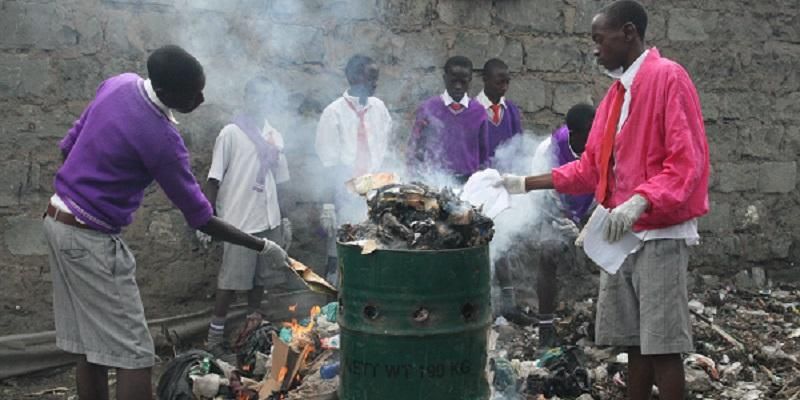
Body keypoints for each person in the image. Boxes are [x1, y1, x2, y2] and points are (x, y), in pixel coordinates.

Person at [43, 45, 287, 400]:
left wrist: (100, 176)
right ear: (166, 92)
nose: (200, 100)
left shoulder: (118, 84)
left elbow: (68, 146)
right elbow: (201, 216)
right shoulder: (162, 138)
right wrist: (261, 244)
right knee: (136, 354)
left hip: (57, 219)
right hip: (89, 238)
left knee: (90, 348)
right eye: (193, 94)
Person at [500, 1, 709, 399]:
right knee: (633, 342)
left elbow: (688, 161)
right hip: (621, 234)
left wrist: (641, 200)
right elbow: (591, 169)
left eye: (599, 39)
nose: (594, 49)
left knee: (663, 345)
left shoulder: (668, 77)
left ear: (628, 32)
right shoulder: (616, 95)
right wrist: (524, 182)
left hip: (659, 233)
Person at [197, 76, 292, 357]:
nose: (260, 102)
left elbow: (282, 181)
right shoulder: (231, 133)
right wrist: (206, 217)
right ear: (246, 99)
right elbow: (214, 179)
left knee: (260, 280)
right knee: (231, 281)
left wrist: (284, 218)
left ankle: (252, 329)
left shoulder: (274, 136)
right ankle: (214, 337)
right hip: (238, 220)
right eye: (255, 96)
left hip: (268, 217)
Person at [315, 54, 393, 283]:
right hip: (344, 192)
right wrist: (329, 204)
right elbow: (328, 164)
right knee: (341, 250)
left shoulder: (379, 109)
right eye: (371, 77)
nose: (375, 83)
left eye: (376, 78)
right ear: (353, 77)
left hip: (374, 192)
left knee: (374, 247)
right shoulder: (334, 113)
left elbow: (385, 152)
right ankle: (334, 300)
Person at [406, 55, 489, 184]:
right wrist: (413, 177)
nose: (458, 86)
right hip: (434, 180)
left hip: (468, 182)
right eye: (453, 81)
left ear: (470, 81)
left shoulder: (479, 112)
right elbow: (415, 146)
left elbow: (484, 154)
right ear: (445, 79)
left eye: (463, 82)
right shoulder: (429, 108)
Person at [475, 58, 523, 162]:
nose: (504, 87)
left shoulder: (511, 110)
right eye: (499, 83)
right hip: (480, 175)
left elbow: (518, 144)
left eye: (507, 82)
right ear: (485, 80)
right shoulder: (473, 111)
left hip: (507, 174)